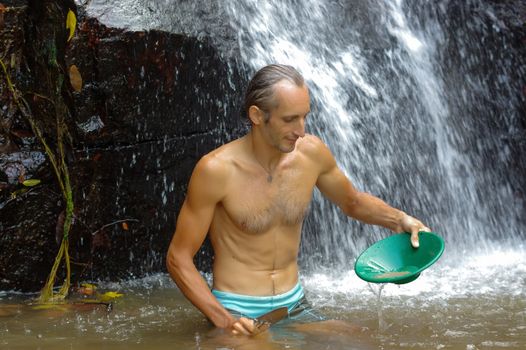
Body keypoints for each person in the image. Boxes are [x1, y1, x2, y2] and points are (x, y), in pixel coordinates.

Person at [166, 64, 430, 336]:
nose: (301, 130)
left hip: (295, 306)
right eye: (290, 119)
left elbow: (352, 202)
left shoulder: (311, 154)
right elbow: (178, 257)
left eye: (304, 117)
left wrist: (399, 219)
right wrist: (223, 319)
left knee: (362, 341)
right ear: (257, 116)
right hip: (237, 310)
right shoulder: (216, 170)